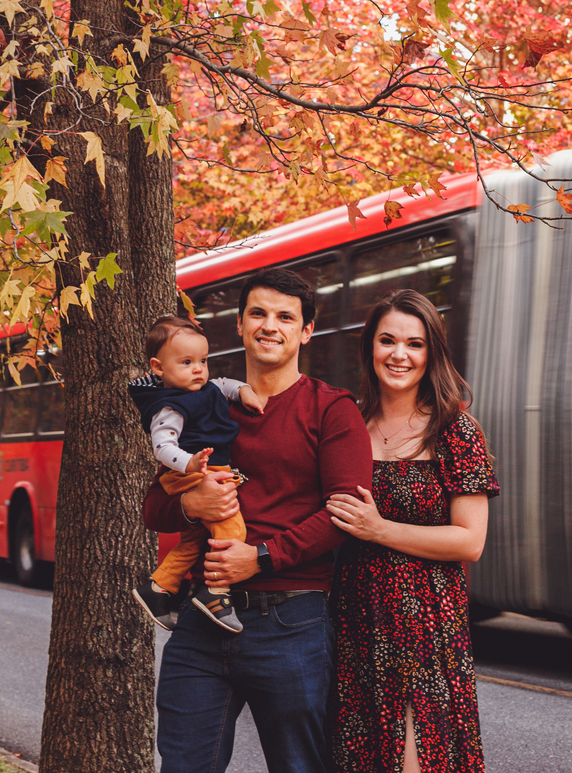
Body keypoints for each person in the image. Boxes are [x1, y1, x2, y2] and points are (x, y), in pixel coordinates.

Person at [143, 267, 373, 773]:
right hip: (202, 623)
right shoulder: (201, 402)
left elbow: (344, 514)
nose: (271, 325)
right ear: (241, 326)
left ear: (305, 331)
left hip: (292, 624)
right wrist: (190, 506)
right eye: (259, 314)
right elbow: (151, 508)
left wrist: (261, 558)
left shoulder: (332, 410)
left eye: (285, 317)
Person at [326, 289, 499, 773]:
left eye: (415, 343)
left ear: (431, 354)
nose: (399, 354)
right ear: (370, 348)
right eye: (387, 340)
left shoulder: (454, 430)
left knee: (417, 757)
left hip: (425, 624)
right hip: (354, 619)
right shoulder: (348, 425)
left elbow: (470, 540)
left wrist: (379, 529)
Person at [129, 315, 266, 633]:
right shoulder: (169, 407)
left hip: (207, 471)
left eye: (203, 360)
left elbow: (224, 385)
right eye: (187, 362)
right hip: (191, 473)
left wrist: (243, 390)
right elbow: (162, 448)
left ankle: (158, 588)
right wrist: (189, 463)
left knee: (194, 539)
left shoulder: (205, 388)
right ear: (159, 368)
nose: (198, 369)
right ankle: (216, 592)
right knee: (232, 528)